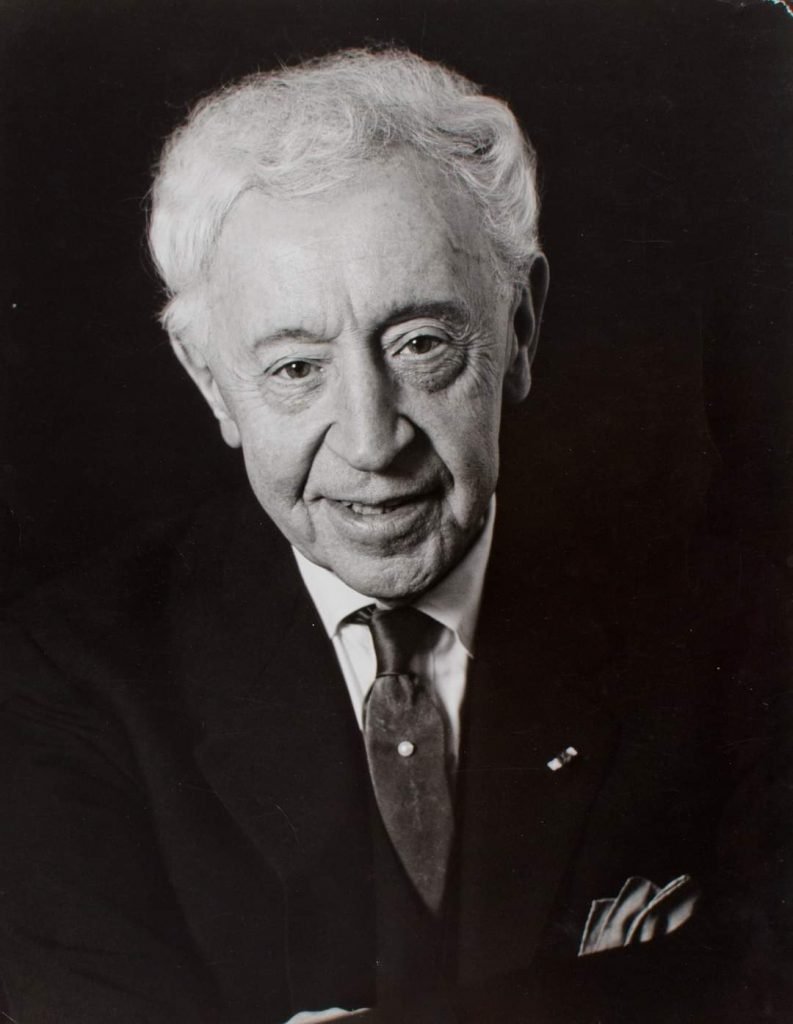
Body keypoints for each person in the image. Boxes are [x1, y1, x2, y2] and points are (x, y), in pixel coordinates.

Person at [0, 47, 771, 1024]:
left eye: (420, 345)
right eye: (296, 368)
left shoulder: (732, 618)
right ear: (209, 381)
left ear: (518, 328)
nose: (370, 442)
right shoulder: (58, 681)